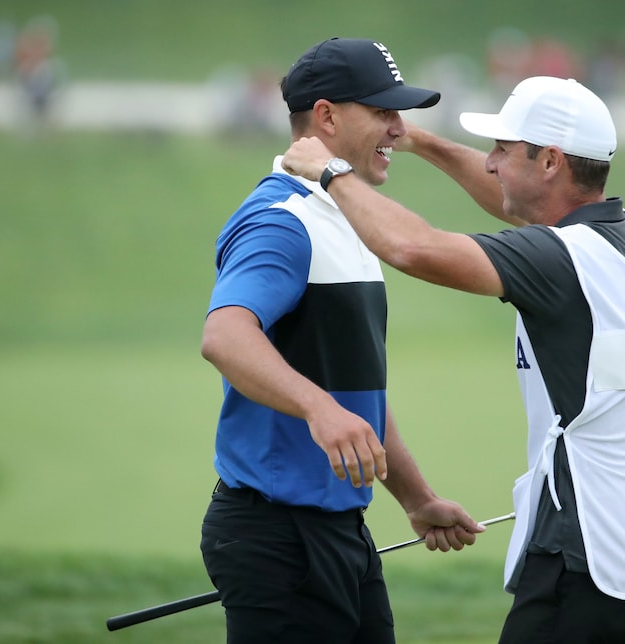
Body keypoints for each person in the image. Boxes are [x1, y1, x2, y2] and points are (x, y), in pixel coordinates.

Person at [283, 75, 625, 643]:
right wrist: (420, 143)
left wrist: (331, 173)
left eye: (503, 149)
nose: (492, 163)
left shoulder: (559, 262)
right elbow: (524, 206)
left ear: (550, 161)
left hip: (585, 563)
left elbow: (413, 248)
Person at [199, 37, 486, 644]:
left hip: (339, 531)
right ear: (326, 116)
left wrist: (415, 498)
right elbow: (224, 335)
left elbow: (353, 389)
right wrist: (317, 408)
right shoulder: (282, 219)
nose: (398, 128)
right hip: (276, 536)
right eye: (382, 112)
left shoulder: (348, 215)